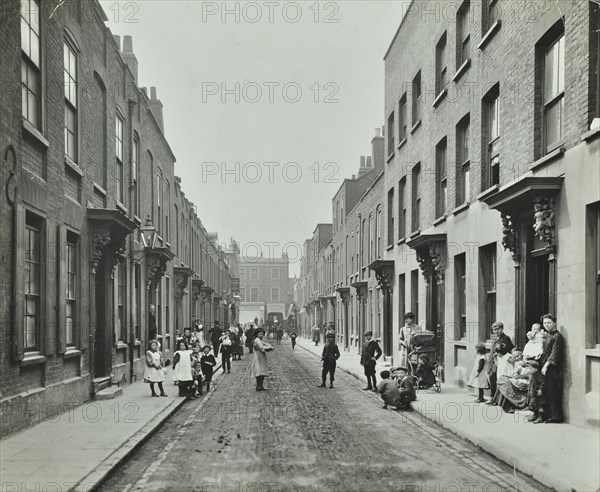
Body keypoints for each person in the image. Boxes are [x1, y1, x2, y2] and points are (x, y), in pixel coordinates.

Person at [537, 314, 565, 424]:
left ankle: (556, 417)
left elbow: (554, 354)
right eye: (544, 323)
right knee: (546, 392)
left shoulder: (557, 336)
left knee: (553, 392)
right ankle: (547, 415)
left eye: (548, 323)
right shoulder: (547, 335)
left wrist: (545, 366)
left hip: (552, 368)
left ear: (554, 323)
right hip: (544, 365)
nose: (546, 325)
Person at [485, 322, 514, 405]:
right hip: (493, 361)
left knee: (495, 378)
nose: (496, 331)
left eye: (498, 329)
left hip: (501, 362)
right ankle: (494, 398)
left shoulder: (505, 338)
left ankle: (494, 399)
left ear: (502, 329)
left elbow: (509, 349)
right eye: (494, 330)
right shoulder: (494, 338)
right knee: (492, 379)